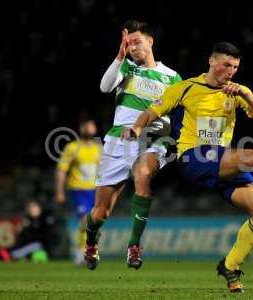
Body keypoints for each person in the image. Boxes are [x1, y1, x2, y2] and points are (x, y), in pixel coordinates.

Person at [124, 42, 253, 293]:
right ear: (211, 61)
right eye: (226, 65)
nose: (230, 71)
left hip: (222, 161)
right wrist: (136, 128)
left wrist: (246, 94)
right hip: (193, 158)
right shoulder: (185, 88)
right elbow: (151, 113)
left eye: (235, 67)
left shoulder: (235, 91)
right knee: (247, 156)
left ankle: (230, 266)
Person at [84, 20, 181, 270]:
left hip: (153, 139)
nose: (133, 47)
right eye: (129, 44)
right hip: (118, 141)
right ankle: (92, 240)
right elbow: (105, 87)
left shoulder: (172, 77)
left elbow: (178, 111)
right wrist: (119, 56)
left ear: (150, 42)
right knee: (100, 213)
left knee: (142, 175)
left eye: (137, 41)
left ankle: (134, 245)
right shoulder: (126, 68)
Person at [55, 119, 101, 265]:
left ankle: (87, 249)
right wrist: (59, 192)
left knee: (93, 223)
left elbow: (104, 171)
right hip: (78, 190)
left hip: (95, 191)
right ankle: (80, 251)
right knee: (84, 221)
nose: (90, 128)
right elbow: (61, 170)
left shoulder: (99, 148)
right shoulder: (72, 147)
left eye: (92, 125)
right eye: (87, 125)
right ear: (81, 128)